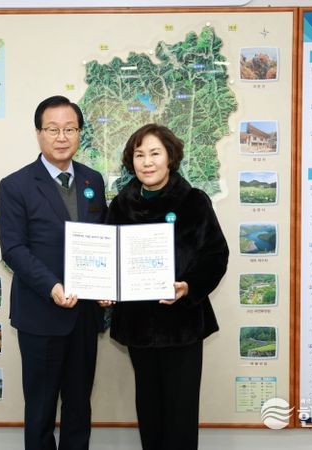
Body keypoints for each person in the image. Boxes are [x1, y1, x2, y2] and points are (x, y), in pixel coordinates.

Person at [99, 123, 229, 450]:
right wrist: (105, 288)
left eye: (155, 153)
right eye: (139, 155)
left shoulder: (193, 201)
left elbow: (216, 255)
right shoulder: (121, 205)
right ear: (131, 161)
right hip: (138, 326)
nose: (147, 162)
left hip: (182, 326)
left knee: (180, 415)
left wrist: (188, 287)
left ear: (170, 157)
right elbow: (108, 258)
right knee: (149, 411)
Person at [0, 95, 107, 450]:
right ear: (39, 133)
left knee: (79, 408)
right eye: (53, 129)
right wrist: (52, 286)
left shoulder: (93, 180)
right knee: (41, 410)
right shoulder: (15, 185)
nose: (62, 137)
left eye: (70, 129)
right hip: (41, 315)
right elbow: (14, 249)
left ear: (79, 133)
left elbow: (103, 239)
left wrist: (108, 285)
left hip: (84, 316)